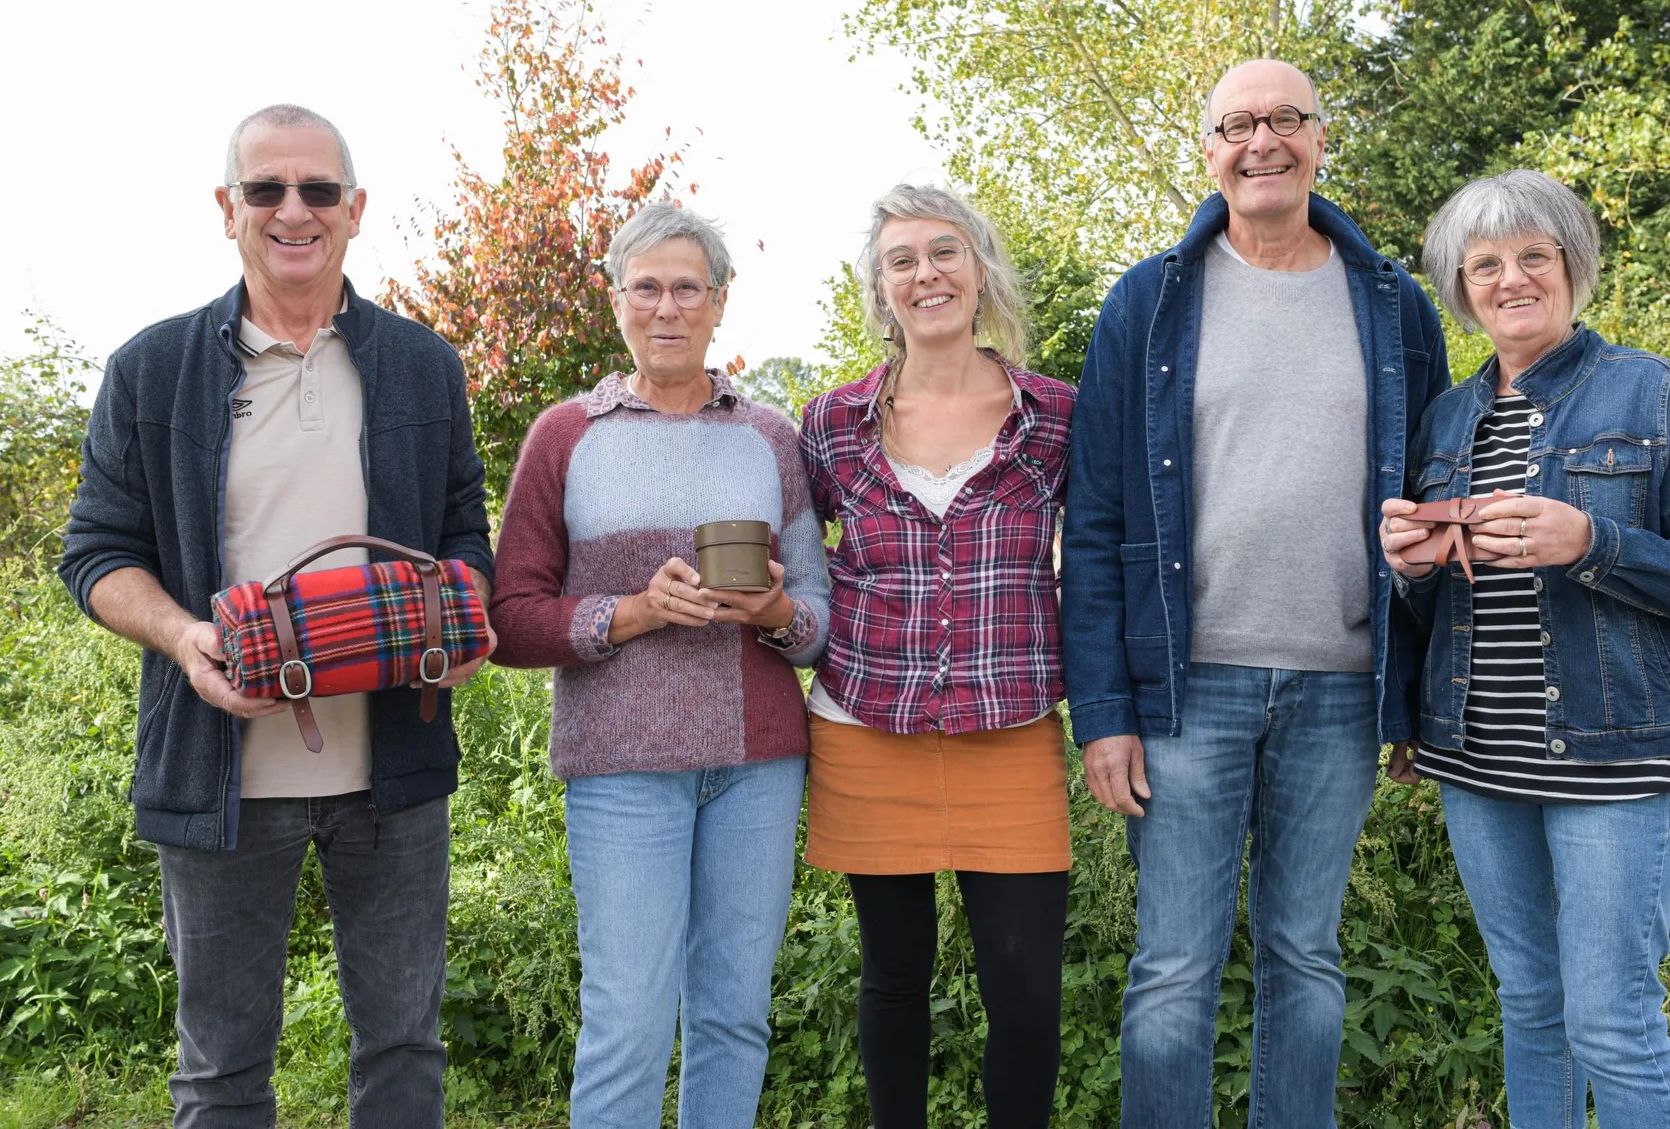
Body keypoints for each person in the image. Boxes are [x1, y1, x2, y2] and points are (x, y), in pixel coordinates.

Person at [58, 104, 494, 1127]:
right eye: (266, 189)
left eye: (317, 190)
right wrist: (181, 635)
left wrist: (459, 629)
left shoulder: (423, 366)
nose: (293, 210)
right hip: (219, 768)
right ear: (228, 209)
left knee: (403, 1049)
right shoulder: (153, 369)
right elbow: (95, 553)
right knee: (220, 1069)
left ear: (354, 210)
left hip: (396, 765)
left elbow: (465, 538)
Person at [1060, 59, 1452, 1126]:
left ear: (1323, 140)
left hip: (1342, 685)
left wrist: (1415, 688)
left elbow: (1435, 500)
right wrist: (1103, 710)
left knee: (1306, 957)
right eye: (1237, 123)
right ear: (1208, 152)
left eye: (1286, 119)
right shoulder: (1149, 301)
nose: (1262, 141)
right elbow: (1093, 517)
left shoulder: (1393, 304)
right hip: (1187, 690)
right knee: (1174, 967)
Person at [1379, 169, 1670, 1129]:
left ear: (1571, 267)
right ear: (1460, 288)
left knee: (1612, 1020)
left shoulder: (1654, 389)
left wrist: (1593, 544)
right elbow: (1434, 617)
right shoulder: (1446, 420)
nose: (1510, 280)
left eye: (1532, 257)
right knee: (1531, 1004)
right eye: (1483, 266)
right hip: (1479, 761)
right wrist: (1411, 565)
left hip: (1621, 762)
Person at [487, 202, 830, 1127]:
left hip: (759, 764)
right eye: (647, 287)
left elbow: (821, 623)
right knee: (628, 1023)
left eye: (688, 288)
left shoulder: (770, 439)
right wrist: (630, 614)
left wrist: (773, 612)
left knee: (734, 1017)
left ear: (720, 303)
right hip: (621, 768)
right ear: (616, 301)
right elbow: (508, 619)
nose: (667, 306)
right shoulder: (566, 436)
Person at [799, 183, 1076, 1128]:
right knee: (893, 978)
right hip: (867, 726)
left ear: (981, 268)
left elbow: (1109, 558)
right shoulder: (829, 424)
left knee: (1028, 990)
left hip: (1013, 727)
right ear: (881, 292)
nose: (928, 275)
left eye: (945, 252)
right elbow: (798, 571)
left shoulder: (1057, 416)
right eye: (903, 261)